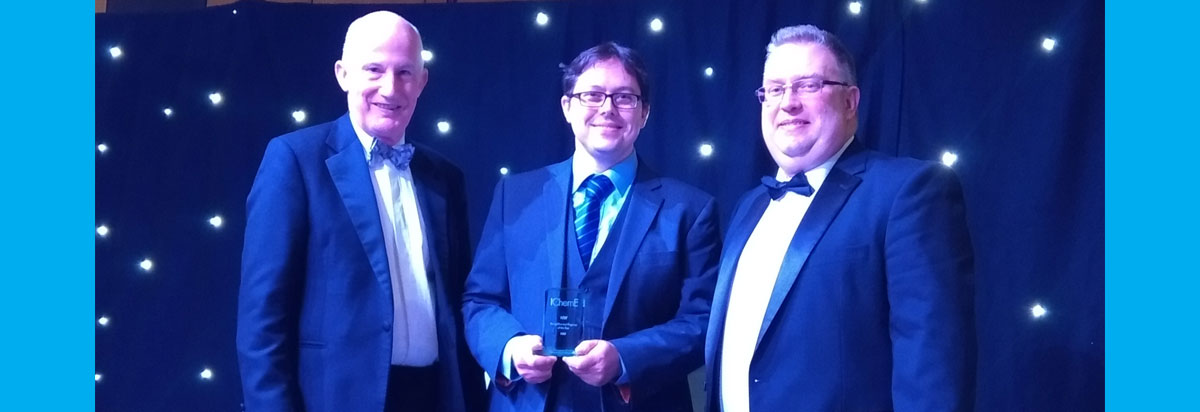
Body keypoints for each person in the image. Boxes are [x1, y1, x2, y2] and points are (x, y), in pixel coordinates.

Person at [704, 24, 976, 412]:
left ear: (851, 102)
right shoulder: (748, 206)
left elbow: (933, 362)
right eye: (775, 89)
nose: (788, 103)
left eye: (808, 86)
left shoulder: (909, 190)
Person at [237, 11, 484, 412]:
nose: (391, 87)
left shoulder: (445, 177)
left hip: (433, 398)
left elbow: (458, 304)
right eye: (374, 69)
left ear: (422, 81)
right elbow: (262, 318)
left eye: (405, 71)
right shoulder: (295, 160)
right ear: (343, 74)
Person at [462, 42, 721, 412]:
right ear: (567, 107)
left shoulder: (691, 210)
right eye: (592, 95)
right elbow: (481, 300)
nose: (607, 109)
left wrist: (625, 358)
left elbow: (702, 320)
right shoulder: (514, 196)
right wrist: (509, 347)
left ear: (644, 112)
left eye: (625, 97)